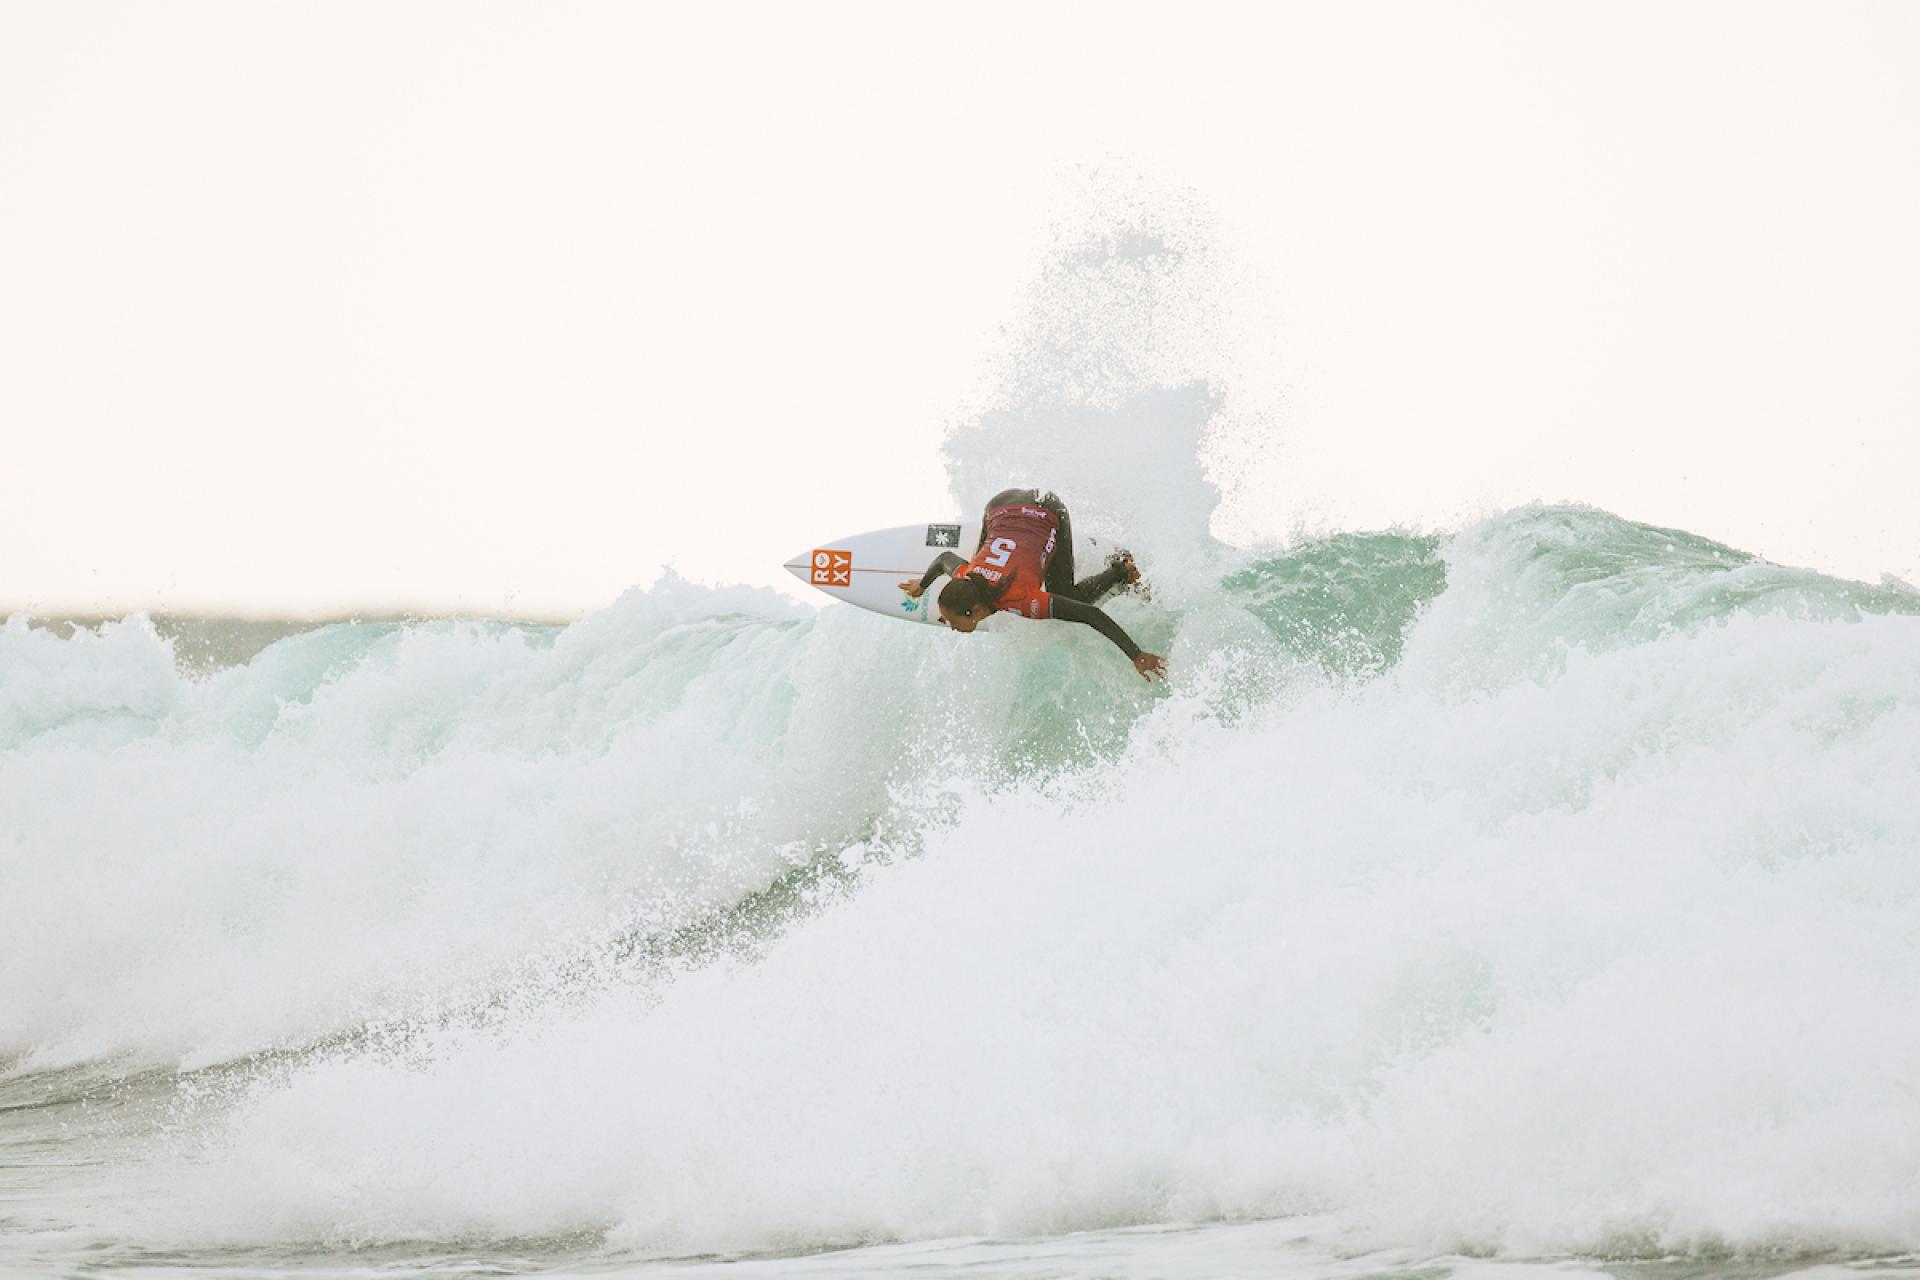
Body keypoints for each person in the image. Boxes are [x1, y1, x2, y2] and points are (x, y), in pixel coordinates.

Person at [899, 488, 1167, 681]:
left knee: (1065, 594)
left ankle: (1120, 571)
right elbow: (944, 559)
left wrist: (1136, 654)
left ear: (976, 611)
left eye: (951, 620)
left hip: (1049, 509)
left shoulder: (1024, 600)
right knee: (980, 554)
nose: (949, 625)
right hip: (1000, 503)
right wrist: (922, 585)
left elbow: (1090, 614)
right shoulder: (967, 573)